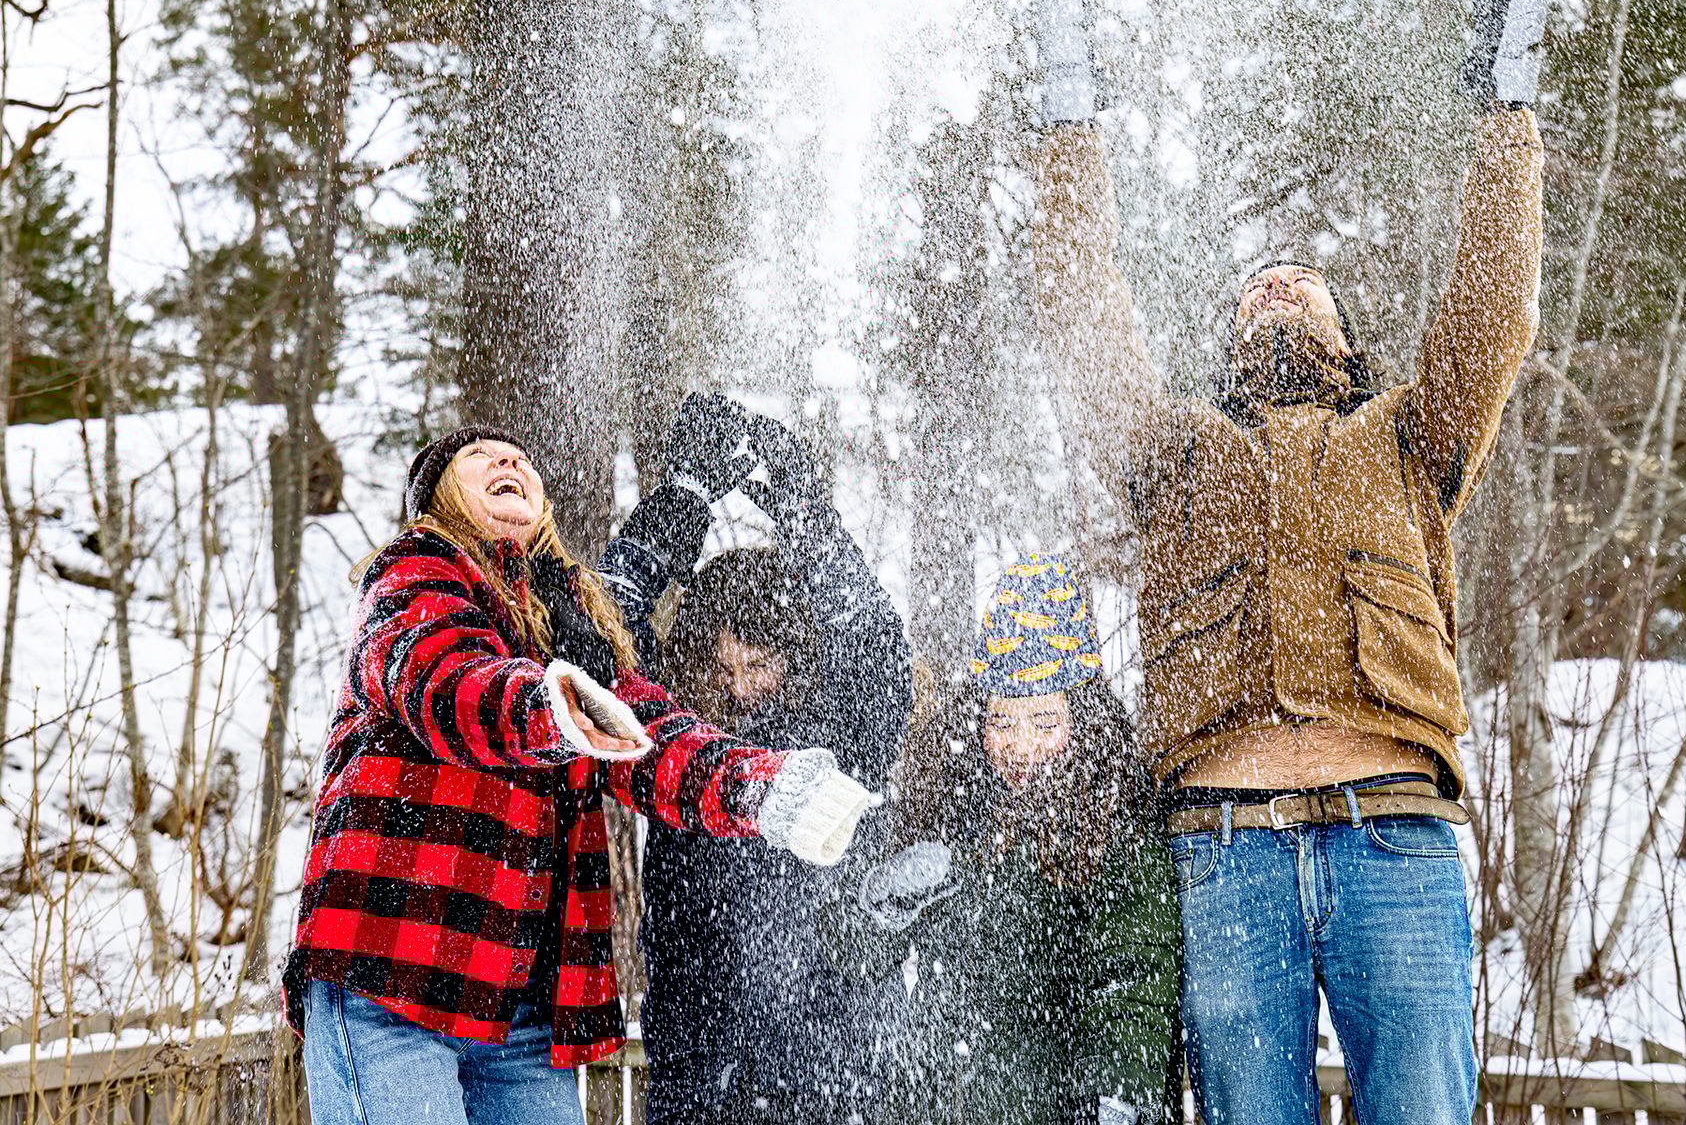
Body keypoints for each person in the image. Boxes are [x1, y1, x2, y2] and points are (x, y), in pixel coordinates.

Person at [1024, 0, 1552, 1125]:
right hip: (1227, 845)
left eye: (1303, 284)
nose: (1278, 287)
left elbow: (1492, 305)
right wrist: (1069, 117)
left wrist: (1506, 106)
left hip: (1396, 839)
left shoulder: (1411, 437)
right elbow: (1083, 324)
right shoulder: (1177, 454)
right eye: (1258, 286)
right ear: (1227, 347)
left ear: (1347, 341)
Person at [285, 426, 877, 1125]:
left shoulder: (569, 621)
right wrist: (551, 704)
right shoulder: (416, 578)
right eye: (479, 460)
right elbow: (451, 686)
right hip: (394, 970)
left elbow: (649, 737)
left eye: (519, 459)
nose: (507, 461)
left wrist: (762, 787)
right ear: (438, 501)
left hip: (521, 1005)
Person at [596, 395, 912, 1124]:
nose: (739, 688)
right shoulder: (676, 738)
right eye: (722, 668)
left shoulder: (842, 727)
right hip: (697, 1060)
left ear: (796, 656)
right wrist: (682, 503)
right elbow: (601, 631)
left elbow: (877, 645)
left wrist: (806, 516)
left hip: (830, 1063)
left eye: (760, 666)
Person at [829, 555, 1181, 1125]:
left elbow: (1134, 976)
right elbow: (847, 965)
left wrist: (1123, 1096)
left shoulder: (1116, 829)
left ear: (1084, 722)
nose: (1020, 745)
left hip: (1053, 1104)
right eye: (1001, 721)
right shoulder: (946, 814)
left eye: (1044, 722)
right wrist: (878, 905)